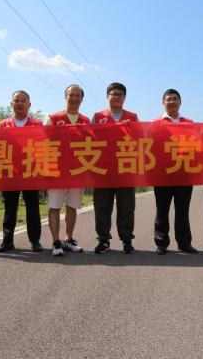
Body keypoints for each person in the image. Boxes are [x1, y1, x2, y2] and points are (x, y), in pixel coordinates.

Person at [91, 82, 138, 254]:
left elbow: (139, 140)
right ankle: (103, 240)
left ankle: (127, 240)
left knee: (127, 208)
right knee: (102, 208)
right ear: (107, 96)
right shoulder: (98, 117)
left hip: (125, 170)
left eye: (120, 94)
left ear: (124, 97)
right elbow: (89, 140)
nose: (116, 96)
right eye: (113, 93)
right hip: (102, 171)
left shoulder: (133, 117)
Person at [0, 90, 44, 253]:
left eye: (23, 100)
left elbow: (43, 146)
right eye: (17, 100)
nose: (20, 103)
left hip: (31, 172)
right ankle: (7, 241)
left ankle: (35, 241)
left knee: (33, 208)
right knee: (9, 209)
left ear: (29, 104)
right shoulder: (3, 124)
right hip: (10, 172)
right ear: (11, 104)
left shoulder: (37, 124)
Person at [152, 89, 198, 255]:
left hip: (184, 174)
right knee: (162, 211)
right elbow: (150, 145)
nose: (172, 102)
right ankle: (161, 243)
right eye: (168, 99)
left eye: (175, 99)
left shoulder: (189, 123)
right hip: (162, 175)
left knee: (183, 211)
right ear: (163, 103)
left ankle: (184, 243)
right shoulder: (155, 123)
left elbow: (196, 146)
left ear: (180, 102)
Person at [46, 84, 90, 256]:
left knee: (72, 206)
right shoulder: (53, 118)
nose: (74, 98)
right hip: (57, 171)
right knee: (54, 206)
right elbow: (44, 143)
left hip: (78, 171)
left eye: (77, 95)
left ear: (82, 99)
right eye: (71, 95)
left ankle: (68, 239)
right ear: (65, 96)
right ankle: (55, 242)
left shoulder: (86, 120)